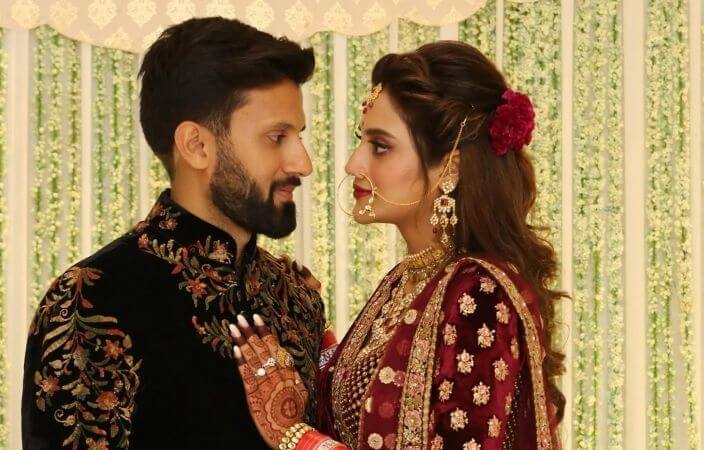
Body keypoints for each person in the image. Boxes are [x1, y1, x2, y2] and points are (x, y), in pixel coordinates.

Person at [230, 41, 566, 450]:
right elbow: (364, 410)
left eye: (380, 146)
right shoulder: (407, 280)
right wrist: (312, 330)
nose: (353, 163)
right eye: (362, 141)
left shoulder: (480, 294)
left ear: (450, 167)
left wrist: (293, 436)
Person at [21, 17, 327, 449]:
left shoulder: (295, 298)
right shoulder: (94, 301)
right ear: (197, 146)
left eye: (298, 136)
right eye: (277, 137)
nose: (303, 163)